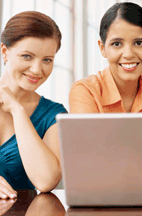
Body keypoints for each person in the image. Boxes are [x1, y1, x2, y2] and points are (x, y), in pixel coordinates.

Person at [0, 11, 67, 198]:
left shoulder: (53, 115)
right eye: (27, 56)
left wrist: (17, 109)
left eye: (47, 60)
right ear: (5, 52)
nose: (37, 70)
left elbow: (45, 181)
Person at [69, 2, 142, 113]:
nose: (128, 54)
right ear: (102, 48)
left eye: (138, 43)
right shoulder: (86, 91)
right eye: (117, 44)